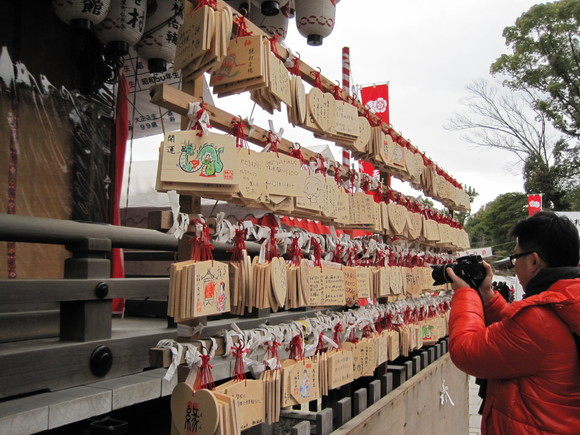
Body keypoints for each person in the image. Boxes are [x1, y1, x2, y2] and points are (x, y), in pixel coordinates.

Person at [447, 211, 580, 434]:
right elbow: (518, 336)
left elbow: (465, 351)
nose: (514, 266)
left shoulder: (539, 319)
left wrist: (466, 294)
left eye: (515, 258)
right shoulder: (566, 301)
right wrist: (487, 296)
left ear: (534, 260)